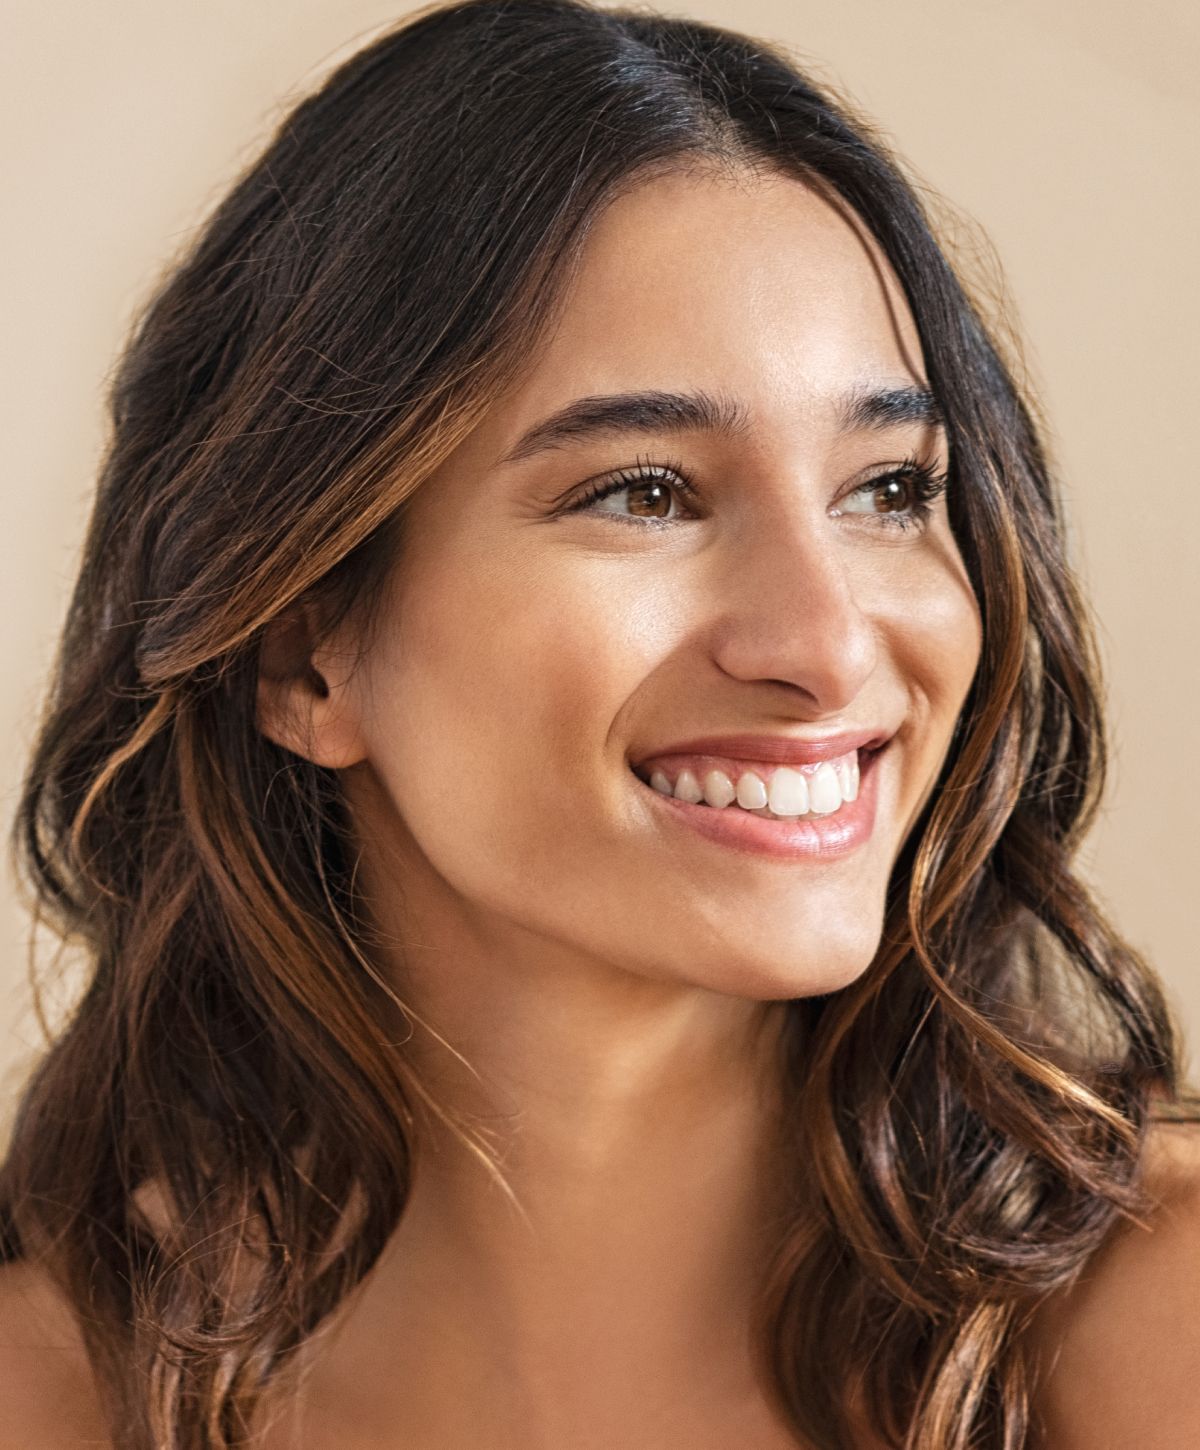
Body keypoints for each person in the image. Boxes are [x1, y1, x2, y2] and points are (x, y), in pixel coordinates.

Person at [2, 0, 1197, 1445]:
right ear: (304, 649)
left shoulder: (1156, 1314)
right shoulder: (54, 1391)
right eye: (643, 491)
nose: (825, 645)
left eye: (889, 489)